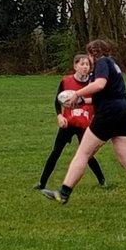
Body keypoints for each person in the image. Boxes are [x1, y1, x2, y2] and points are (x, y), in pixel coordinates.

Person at [42, 39, 126, 205]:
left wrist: (77, 94)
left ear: (92, 53)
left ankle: (64, 192)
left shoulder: (102, 62)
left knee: (83, 153)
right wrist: (83, 100)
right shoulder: (113, 64)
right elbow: (107, 92)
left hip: (110, 112)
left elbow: (99, 85)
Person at [35, 53, 105, 190]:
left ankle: (102, 180)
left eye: (87, 64)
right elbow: (57, 100)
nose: (85, 67)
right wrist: (60, 116)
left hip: (85, 124)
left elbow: (99, 101)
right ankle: (42, 183)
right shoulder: (66, 81)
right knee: (56, 152)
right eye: (82, 64)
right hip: (68, 123)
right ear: (75, 66)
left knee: (87, 154)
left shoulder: (94, 83)